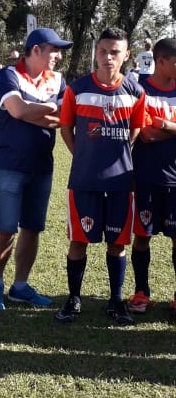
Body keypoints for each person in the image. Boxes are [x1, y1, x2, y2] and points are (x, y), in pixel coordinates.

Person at [55, 27, 146, 326]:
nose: (108, 57)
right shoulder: (77, 89)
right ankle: (74, 298)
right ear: (96, 52)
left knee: (117, 244)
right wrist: (81, 155)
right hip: (84, 180)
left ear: (126, 55)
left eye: (115, 52)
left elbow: (135, 129)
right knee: (78, 240)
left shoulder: (135, 92)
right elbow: (66, 128)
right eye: (103, 51)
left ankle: (116, 301)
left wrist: (119, 154)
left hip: (121, 181)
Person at [0, 28, 72, 311]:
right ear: (36, 50)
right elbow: (17, 110)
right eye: (54, 50)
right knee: (6, 228)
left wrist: (30, 111)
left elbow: (62, 118)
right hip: (10, 164)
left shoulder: (57, 80)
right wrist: (45, 108)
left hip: (42, 166)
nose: (58, 56)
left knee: (32, 228)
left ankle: (20, 286)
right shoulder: (9, 75)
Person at [128, 37, 176, 314]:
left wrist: (166, 125)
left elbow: (157, 130)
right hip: (146, 175)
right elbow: (146, 134)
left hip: (175, 179)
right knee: (142, 235)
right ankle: (141, 292)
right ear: (161, 61)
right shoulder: (141, 90)